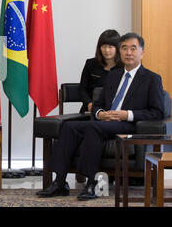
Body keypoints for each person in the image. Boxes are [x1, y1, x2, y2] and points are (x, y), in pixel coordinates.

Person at [36, 32, 165, 201]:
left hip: (128, 124)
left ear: (142, 52)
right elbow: (98, 103)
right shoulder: (114, 76)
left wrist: (127, 114)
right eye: (124, 48)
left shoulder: (151, 78)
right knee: (69, 127)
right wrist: (100, 113)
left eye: (133, 49)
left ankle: (93, 182)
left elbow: (158, 112)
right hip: (105, 121)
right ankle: (60, 182)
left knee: (93, 127)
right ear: (120, 52)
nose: (128, 53)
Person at [79, 29, 121, 113]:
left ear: (117, 48)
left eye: (110, 47)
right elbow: (82, 89)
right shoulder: (90, 63)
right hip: (90, 110)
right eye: (104, 46)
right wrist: (89, 103)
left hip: (115, 111)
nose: (106, 50)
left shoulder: (123, 67)